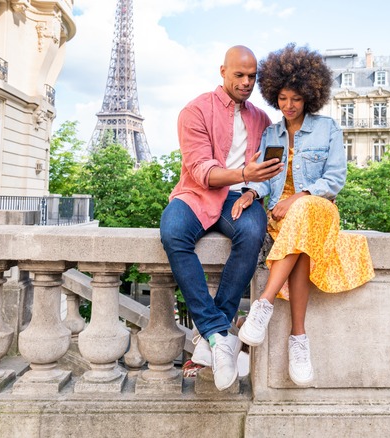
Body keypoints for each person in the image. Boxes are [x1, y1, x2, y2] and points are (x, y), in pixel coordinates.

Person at [233, 44, 375, 386]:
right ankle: (299, 339)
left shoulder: (328, 129)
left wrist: (297, 197)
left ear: (309, 96)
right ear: (274, 96)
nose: (289, 105)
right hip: (282, 217)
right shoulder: (271, 134)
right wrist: (251, 192)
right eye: (282, 98)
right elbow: (266, 181)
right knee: (300, 244)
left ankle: (263, 305)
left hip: (318, 207)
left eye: (296, 98)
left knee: (306, 212)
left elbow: (334, 180)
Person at [159, 45, 283, 391]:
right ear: (223, 72)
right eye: (239, 75)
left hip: (238, 197)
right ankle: (219, 335)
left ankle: (212, 335)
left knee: (253, 231)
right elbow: (200, 171)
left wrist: (252, 190)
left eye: (252, 76)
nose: (246, 82)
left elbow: (270, 173)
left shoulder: (262, 120)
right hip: (196, 193)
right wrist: (244, 172)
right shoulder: (195, 111)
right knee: (172, 232)